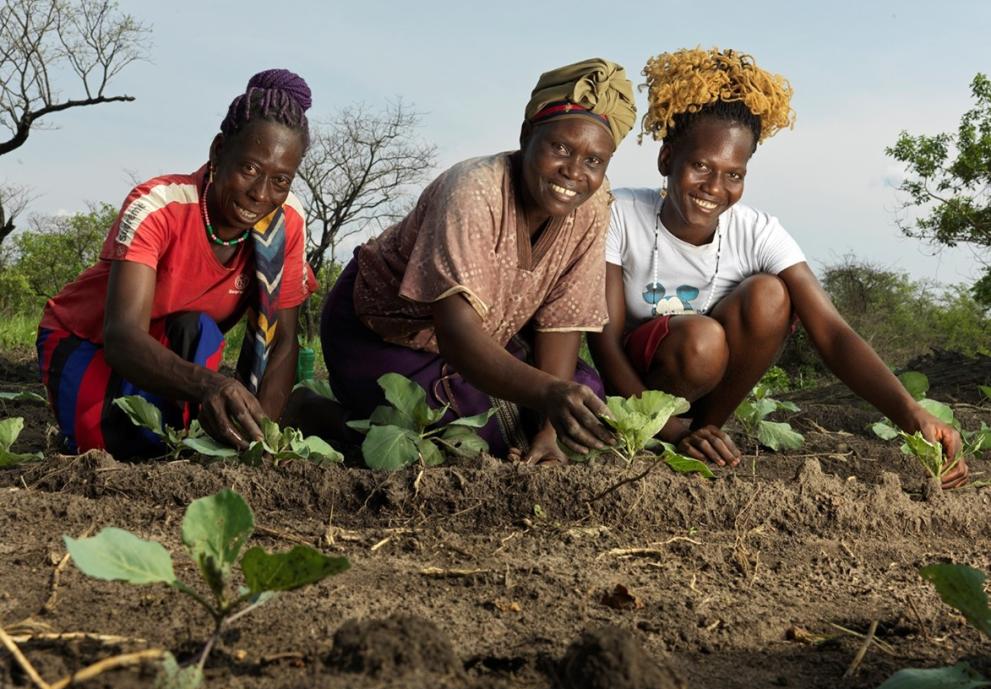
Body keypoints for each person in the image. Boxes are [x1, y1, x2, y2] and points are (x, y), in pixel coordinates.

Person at [588, 48, 968, 488]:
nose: (715, 187)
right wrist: (665, 428)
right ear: (667, 159)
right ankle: (671, 438)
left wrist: (911, 413)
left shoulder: (757, 231)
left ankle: (707, 436)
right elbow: (605, 342)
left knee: (773, 295)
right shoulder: (621, 213)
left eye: (734, 174)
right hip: (636, 384)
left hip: (704, 398)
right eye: (700, 166)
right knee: (701, 340)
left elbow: (832, 331)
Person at [314, 59, 637, 464]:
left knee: (583, 397)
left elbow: (562, 324)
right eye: (560, 148)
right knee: (468, 438)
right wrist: (547, 393)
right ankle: (319, 415)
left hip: (485, 337)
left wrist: (549, 429)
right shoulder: (473, 189)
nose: (573, 172)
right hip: (384, 334)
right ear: (526, 134)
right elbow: (456, 333)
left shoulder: (592, 206)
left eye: (594, 161)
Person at [36, 69, 317, 458]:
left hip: (180, 347)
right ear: (218, 151)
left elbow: (283, 341)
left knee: (189, 418)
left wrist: (260, 439)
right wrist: (209, 386)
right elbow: (121, 337)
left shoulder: (287, 223)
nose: (260, 194)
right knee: (112, 448)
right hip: (91, 340)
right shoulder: (158, 206)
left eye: (280, 180)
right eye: (249, 169)